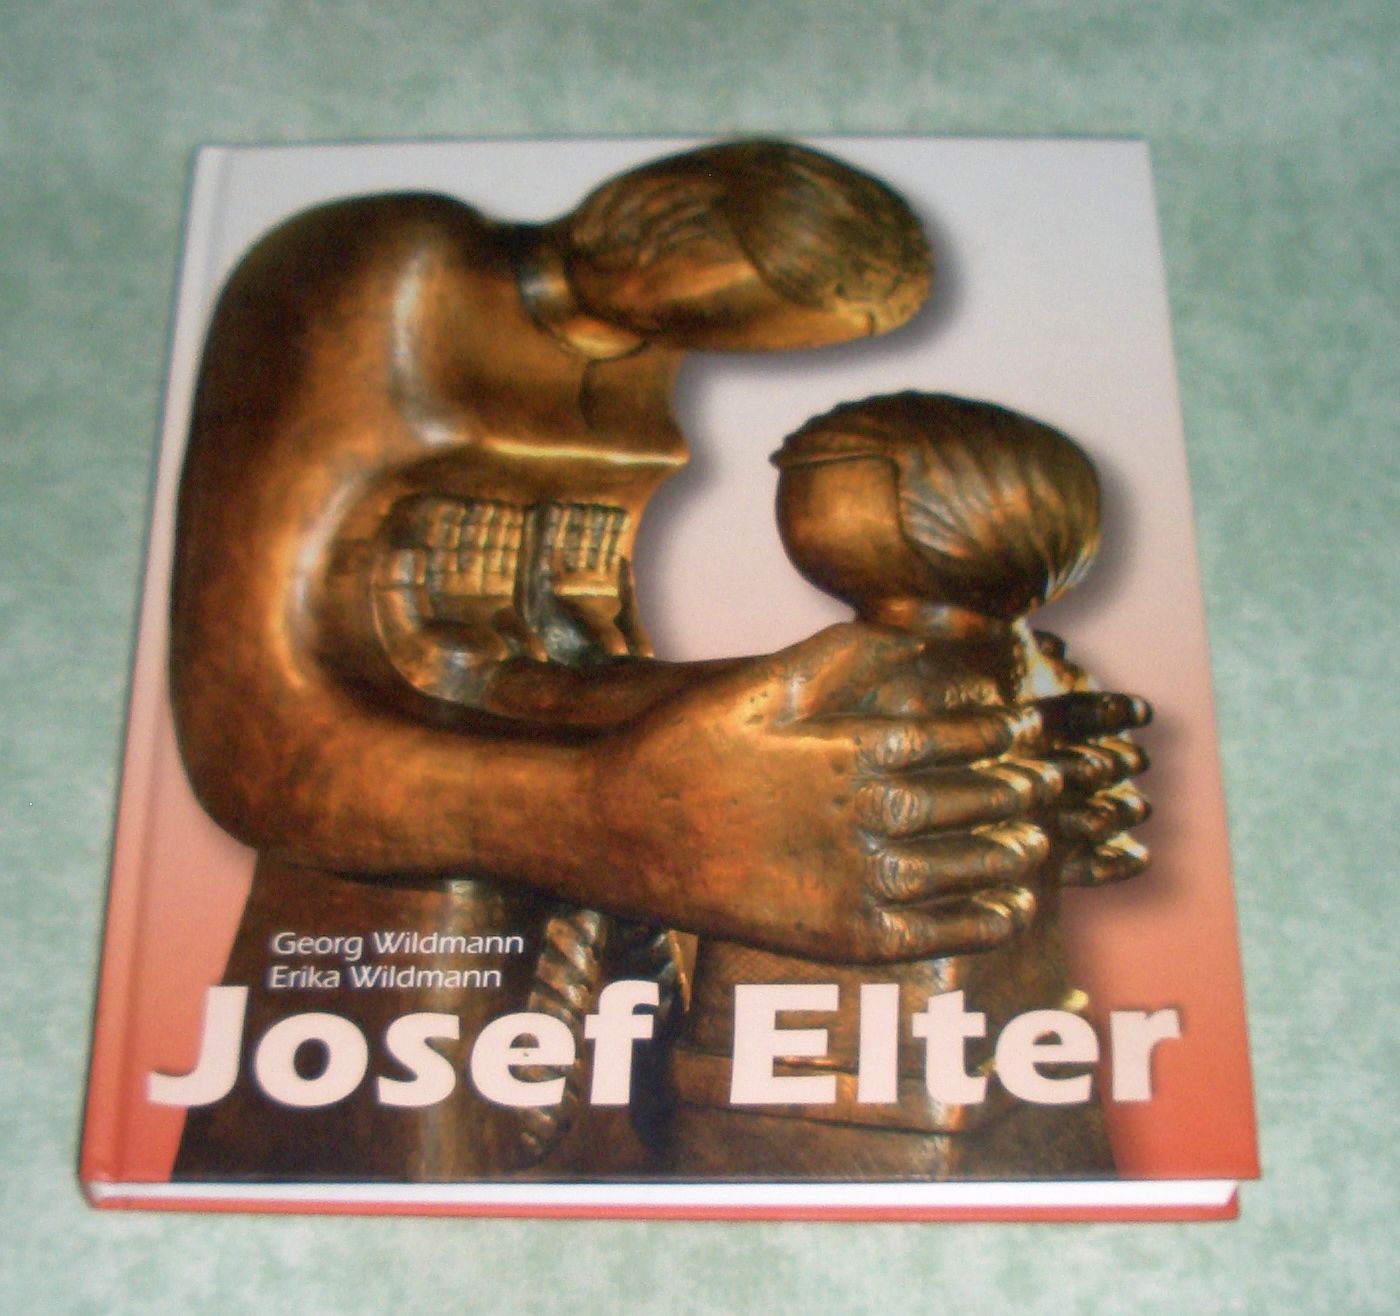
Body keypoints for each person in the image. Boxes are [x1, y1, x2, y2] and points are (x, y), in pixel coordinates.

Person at [169, 141, 1148, 1179]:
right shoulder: (388, 265)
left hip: (563, 943)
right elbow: (252, 738)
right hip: (400, 939)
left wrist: (944, 744)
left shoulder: (623, 345)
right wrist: (597, 814)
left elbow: (546, 657)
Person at [669, 392, 1150, 1177]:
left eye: (833, 481)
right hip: (1001, 1041)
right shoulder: (1040, 667)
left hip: (834, 1070)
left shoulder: (884, 680)